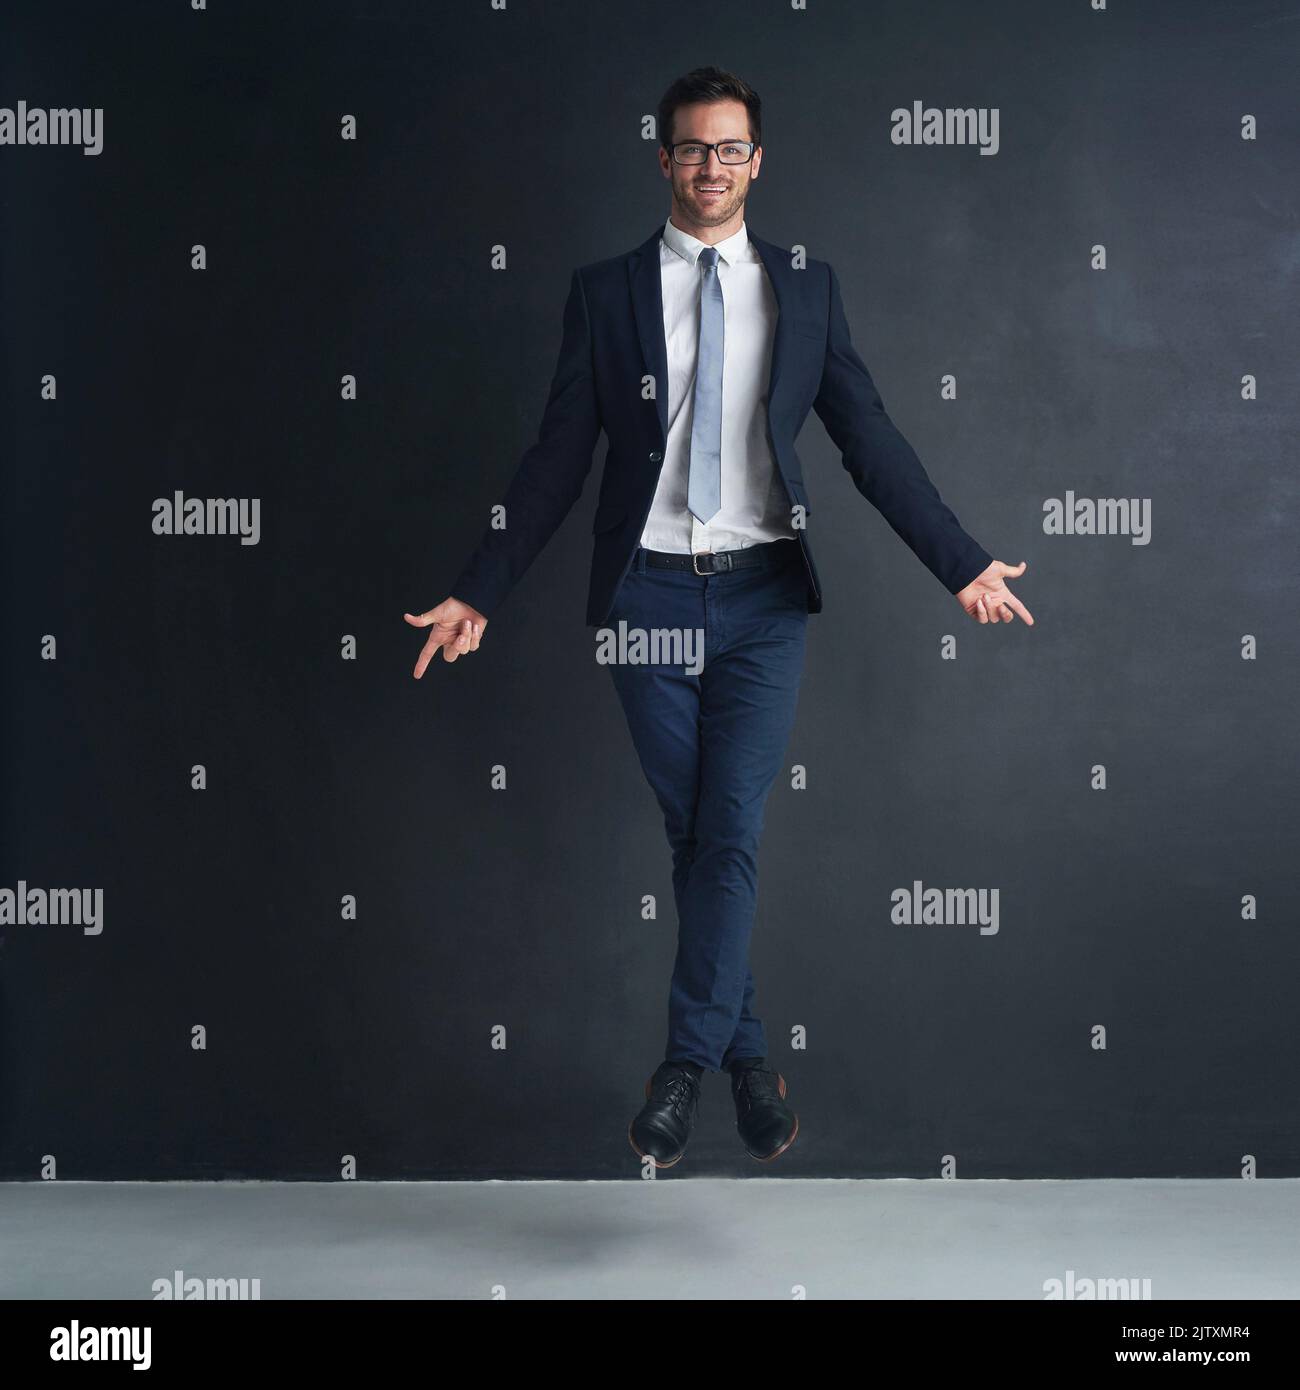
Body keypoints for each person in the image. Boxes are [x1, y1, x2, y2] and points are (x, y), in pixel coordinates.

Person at [404, 66, 1033, 1169]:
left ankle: (683, 1068)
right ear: (663, 159)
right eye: (691, 149)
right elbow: (558, 456)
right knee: (697, 834)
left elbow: (870, 440)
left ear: (757, 161)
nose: (710, 167)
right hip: (645, 592)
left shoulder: (807, 287)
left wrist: (962, 560)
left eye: (729, 148)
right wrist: (481, 586)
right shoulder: (604, 294)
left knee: (725, 829)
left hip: (760, 594)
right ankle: (747, 1058)